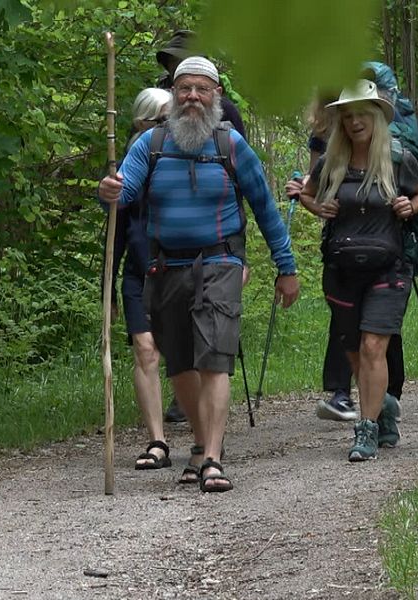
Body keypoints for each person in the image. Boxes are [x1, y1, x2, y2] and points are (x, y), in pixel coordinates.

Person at [98, 56, 299, 491]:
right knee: (180, 364)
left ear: (217, 97)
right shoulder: (149, 144)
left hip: (220, 261)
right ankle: (203, 441)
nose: (192, 96)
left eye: (201, 89)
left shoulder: (231, 146)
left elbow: (265, 208)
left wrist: (287, 267)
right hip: (164, 265)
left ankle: (211, 458)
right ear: (172, 94)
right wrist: (108, 191)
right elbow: (124, 194)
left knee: (215, 357)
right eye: (184, 88)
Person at [300, 80, 418, 461]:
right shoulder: (331, 161)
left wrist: (411, 206)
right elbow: (308, 193)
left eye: (362, 114)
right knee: (355, 352)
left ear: (376, 117)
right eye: (348, 115)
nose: (355, 121)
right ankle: (385, 405)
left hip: (389, 267)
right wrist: (317, 208)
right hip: (342, 268)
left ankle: (367, 430)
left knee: (375, 346)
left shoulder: (397, 157)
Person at [155, 29, 247, 423]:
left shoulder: (226, 114)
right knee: (174, 333)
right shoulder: (163, 106)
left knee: (211, 330)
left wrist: (239, 252)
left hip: (220, 241)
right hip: (168, 245)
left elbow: (243, 179)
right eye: (173, 65)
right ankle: (190, 403)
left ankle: (207, 437)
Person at [104, 88, 174, 470]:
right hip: (139, 271)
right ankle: (157, 440)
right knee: (145, 350)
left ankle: (205, 441)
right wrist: (108, 285)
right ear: (143, 123)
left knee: (186, 352)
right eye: (161, 120)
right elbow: (114, 228)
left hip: (182, 267)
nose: (168, 127)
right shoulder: (127, 166)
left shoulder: (186, 156)